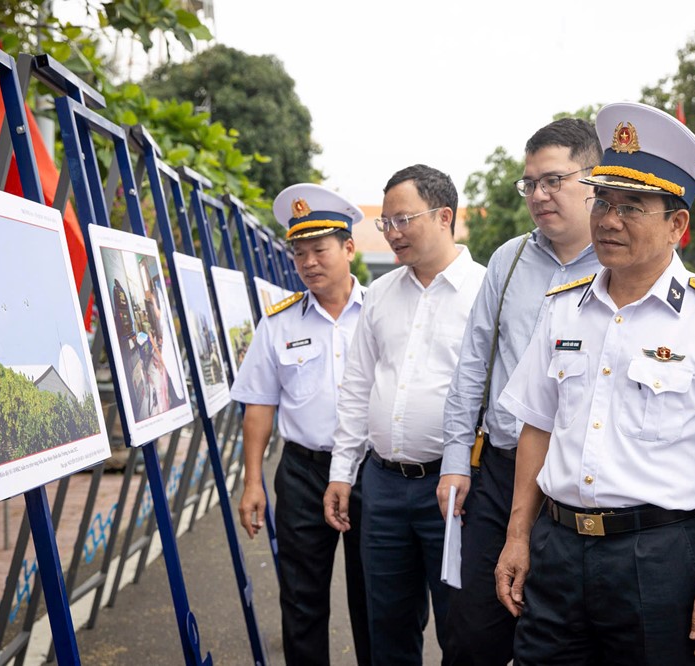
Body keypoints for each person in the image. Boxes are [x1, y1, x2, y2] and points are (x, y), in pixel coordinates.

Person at [494, 102, 695, 664]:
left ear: (678, 224)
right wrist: (517, 535)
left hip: (657, 558)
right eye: (602, 200)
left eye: (631, 206)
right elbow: (537, 427)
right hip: (556, 548)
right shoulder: (564, 308)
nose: (607, 219)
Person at [437, 118, 602, 666]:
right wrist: (456, 461)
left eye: (552, 180)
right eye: (529, 183)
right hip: (501, 473)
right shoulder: (508, 261)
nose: (538, 195)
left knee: (559, 638)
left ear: (594, 178)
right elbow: (471, 366)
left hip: (578, 487)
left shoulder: (620, 262)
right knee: (473, 634)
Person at [324, 164, 486, 665]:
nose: (392, 233)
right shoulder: (381, 296)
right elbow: (356, 387)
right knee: (388, 626)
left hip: (456, 489)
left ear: (444, 217)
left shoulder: (485, 293)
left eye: (402, 220)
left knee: (463, 628)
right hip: (384, 487)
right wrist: (341, 473)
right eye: (385, 223)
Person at [232, 183, 370, 665]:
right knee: (301, 597)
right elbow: (259, 406)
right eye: (299, 253)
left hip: (369, 473)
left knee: (374, 598)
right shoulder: (278, 323)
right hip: (303, 472)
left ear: (348, 247)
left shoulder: (379, 313)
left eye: (320, 250)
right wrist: (253, 482)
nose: (309, 262)